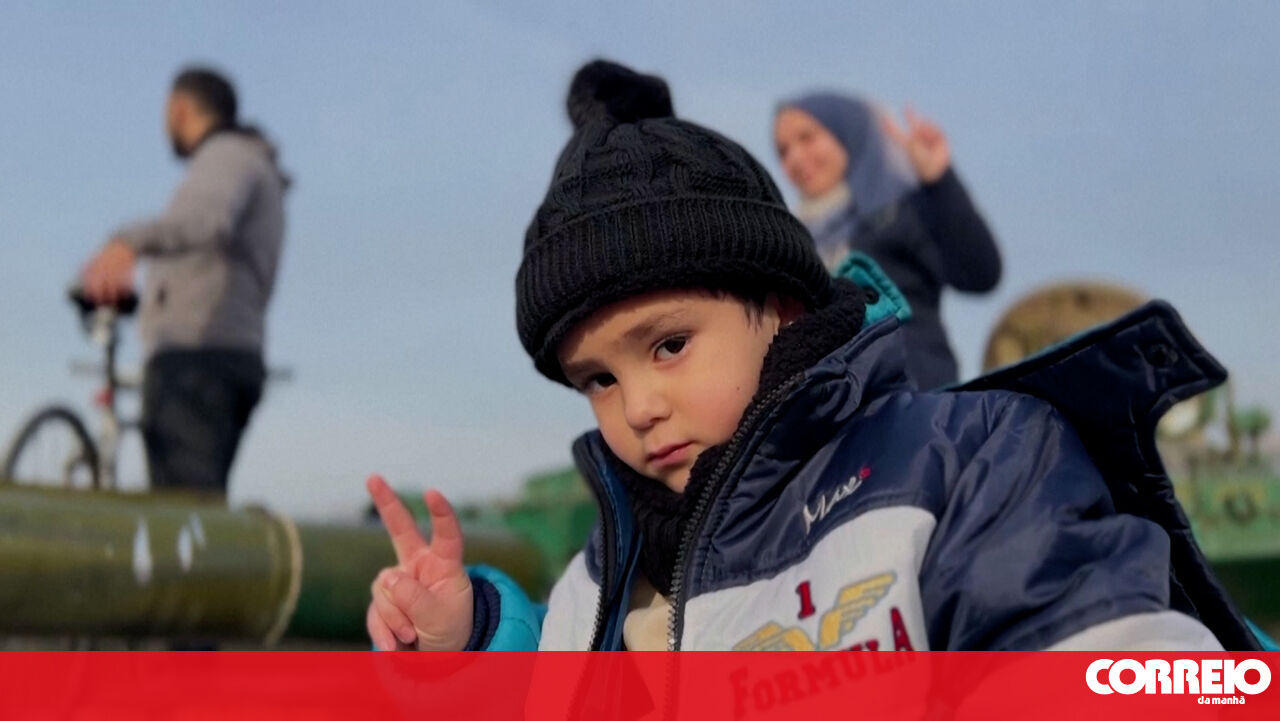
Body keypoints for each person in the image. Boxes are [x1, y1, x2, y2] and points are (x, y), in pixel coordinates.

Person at [365, 60, 1258, 653]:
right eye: (597, 378)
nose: (637, 407)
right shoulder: (601, 574)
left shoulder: (972, 464)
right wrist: (471, 642)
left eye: (669, 345)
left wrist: (936, 179)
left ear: (785, 305)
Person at [81, 67, 287, 495]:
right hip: (222, 354)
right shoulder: (249, 160)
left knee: (184, 514)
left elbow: (205, 220)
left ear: (180, 109)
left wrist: (127, 242)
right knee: (193, 504)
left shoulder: (227, 156)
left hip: (199, 359)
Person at [774, 93, 1001, 389]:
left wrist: (939, 182)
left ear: (848, 132)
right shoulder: (793, 244)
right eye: (783, 151)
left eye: (807, 138)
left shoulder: (897, 214)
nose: (795, 158)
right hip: (837, 408)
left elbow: (980, 273)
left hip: (918, 398)